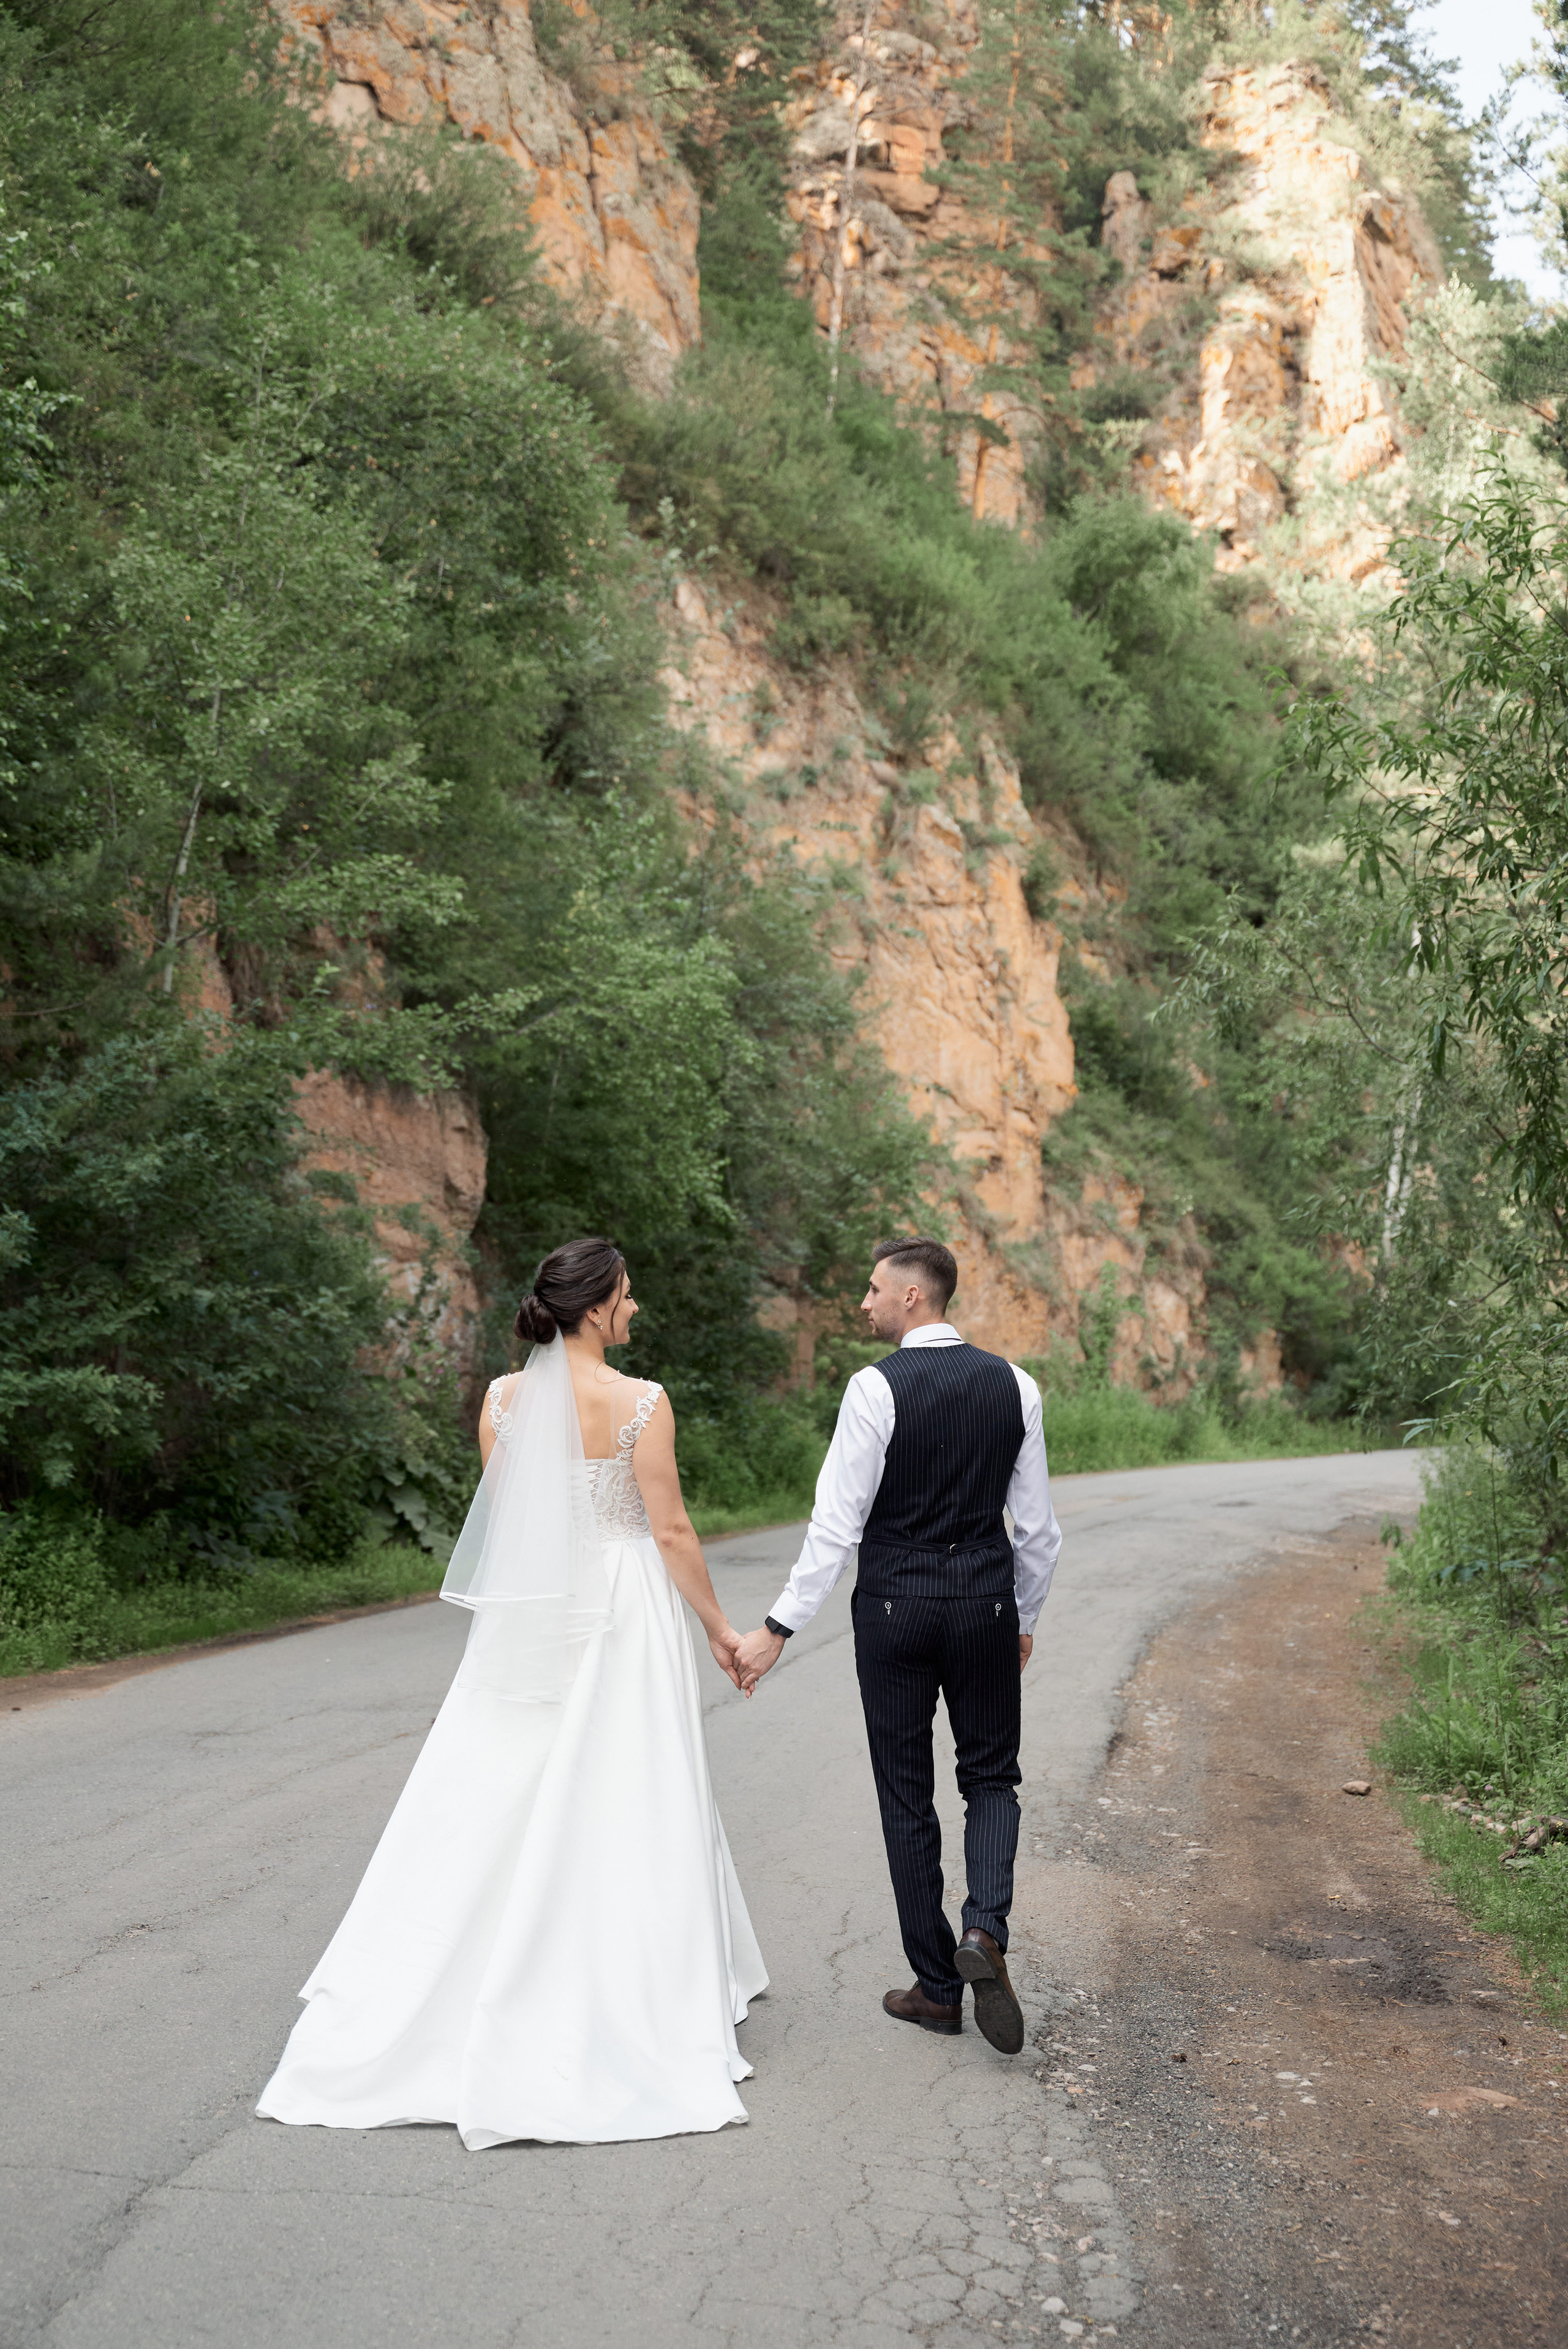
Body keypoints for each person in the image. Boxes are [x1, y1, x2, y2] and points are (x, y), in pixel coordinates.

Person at [257, 1237, 767, 2149]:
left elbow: (517, 1513)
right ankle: (626, 1980)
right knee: (627, 1782)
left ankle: (449, 1968)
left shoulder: (500, 1399)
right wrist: (721, 1630)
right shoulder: (641, 1403)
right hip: (621, 1608)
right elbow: (672, 1528)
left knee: (499, 1782)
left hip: (536, 1609)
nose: (636, 1308)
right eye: (629, 1294)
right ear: (600, 1305)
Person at [734, 1237, 1060, 2054]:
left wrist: (777, 1628)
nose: (865, 1302)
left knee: (905, 1788)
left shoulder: (875, 1388)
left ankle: (938, 1987)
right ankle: (984, 1929)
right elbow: (1040, 1533)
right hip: (982, 1602)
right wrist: (1019, 1617)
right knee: (991, 1774)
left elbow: (835, 1524)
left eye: (875, 1288)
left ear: (915, 1297)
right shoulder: (1014, 1385)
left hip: (893, 1609)